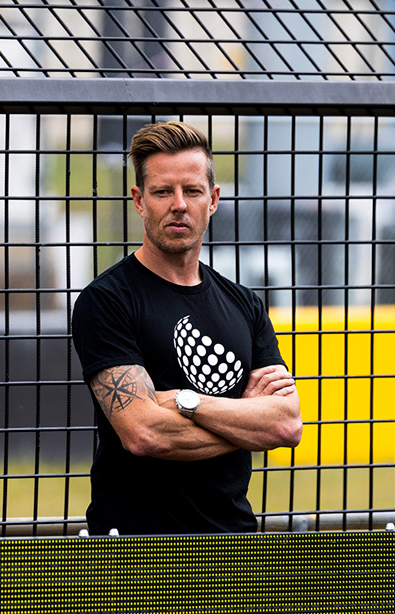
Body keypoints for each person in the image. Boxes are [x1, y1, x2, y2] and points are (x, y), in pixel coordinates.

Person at [71, 120, 302, 535]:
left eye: (192, 191)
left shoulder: (245, 304)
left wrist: (185, 401)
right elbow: (144, 433)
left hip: (233, 544)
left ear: (213, 200)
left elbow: (285, 424)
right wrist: (246, 425)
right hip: (135, 550)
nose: (179, 204)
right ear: (139, 200)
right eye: (163, 191)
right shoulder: (107, 301)